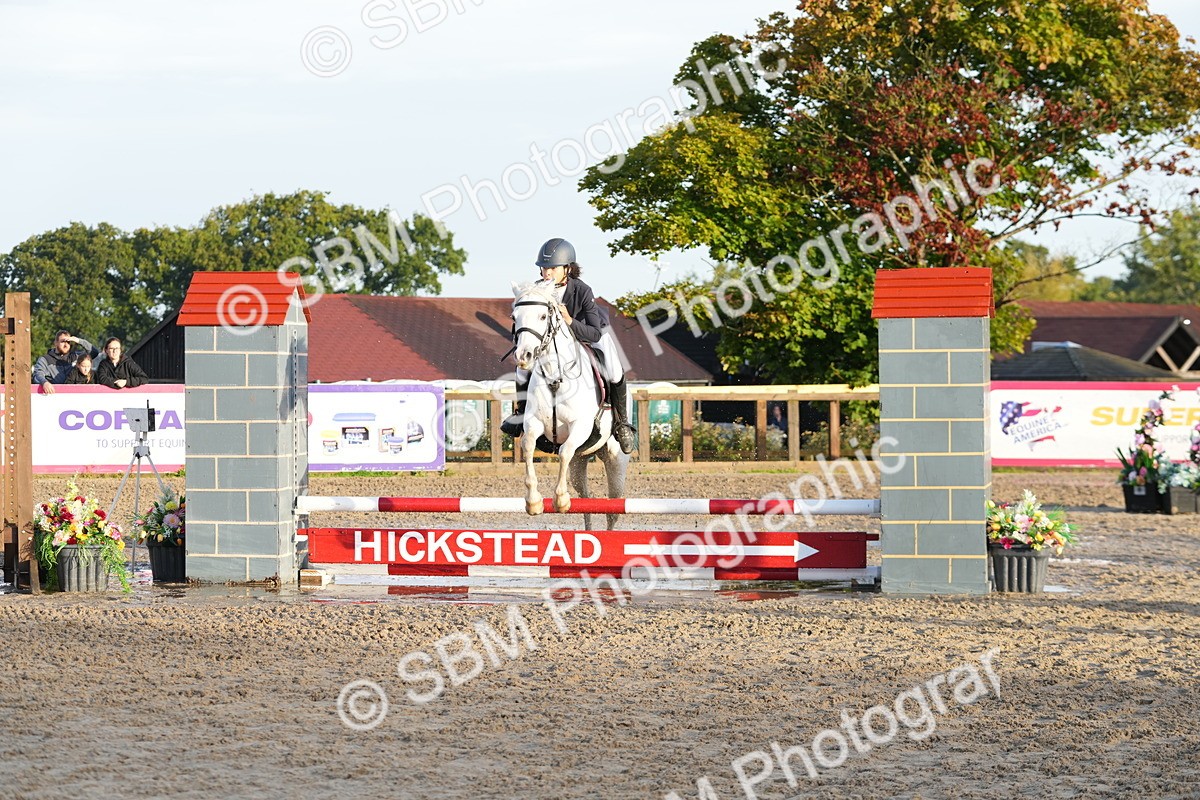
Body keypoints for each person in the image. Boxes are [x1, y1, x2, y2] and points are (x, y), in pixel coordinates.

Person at [501, 237, 638, 454]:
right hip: (551, 346)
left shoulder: (582, 290)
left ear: (567, 268)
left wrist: (570, 322)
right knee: (521, 368)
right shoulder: (536, 292)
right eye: (544, 268)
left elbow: (594, 332)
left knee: (613, 367)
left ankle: (622, 424)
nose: (547, 273)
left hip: (587, 336)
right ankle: (520, 414)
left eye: (552, 268)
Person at [32, 330, 100, 395]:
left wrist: (78, 341)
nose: (66, 345)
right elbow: (37, 374)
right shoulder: (45, 359)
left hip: (74, 397)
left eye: (68, 342)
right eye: (63, 342)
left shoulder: (76, 357)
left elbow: (94, 352)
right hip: (53, 396)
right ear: (55, 343)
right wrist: (44, 382)